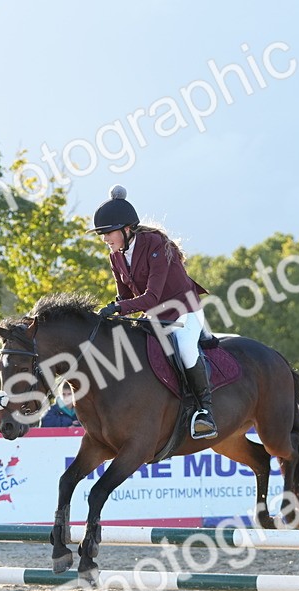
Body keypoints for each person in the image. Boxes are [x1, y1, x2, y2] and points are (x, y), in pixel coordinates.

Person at [89, 185, 217, 438]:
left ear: (127, 230)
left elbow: (151, 297)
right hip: (155, 317)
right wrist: (113, 312)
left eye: (108, 233)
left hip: (183, 310)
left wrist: (118, 308)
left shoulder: (155, 244)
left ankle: (205, 412)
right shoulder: (115, 256)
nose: (105, 239)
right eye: (102, 235)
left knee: (186, 349)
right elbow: (125, 297)